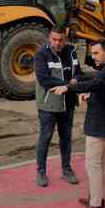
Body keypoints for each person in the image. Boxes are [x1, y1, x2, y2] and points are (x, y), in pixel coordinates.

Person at [52, 39, 105, 208]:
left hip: (99, 124)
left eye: (97, 53)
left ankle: (96, 205)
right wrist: (88, 95)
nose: (93, 57)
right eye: (92, 53)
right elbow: (98, 86)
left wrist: (68, 87)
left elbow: (93, 84)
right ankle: (97, 198)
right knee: (100, 163)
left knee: (93, 165)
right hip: (104, 122)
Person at [33, 26, 83, 187]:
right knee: (46, 137)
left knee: (66, 137)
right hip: (48, 105)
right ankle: (41, 171)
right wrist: (69, 84)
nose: (57, 43)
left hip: (68, 103)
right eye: (54, 39)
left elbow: (79, 73)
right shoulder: (41, 54)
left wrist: (76, 80)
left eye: (61, 40)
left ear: (65, 38)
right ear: (49, 38)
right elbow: (44, 79)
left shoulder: (71, 51)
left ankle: (66, 170)